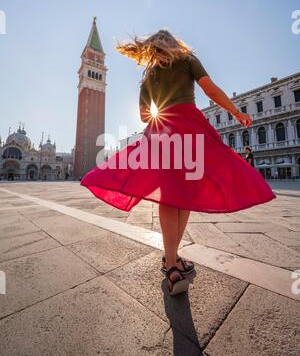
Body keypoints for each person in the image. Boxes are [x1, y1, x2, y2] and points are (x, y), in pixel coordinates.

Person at [81, 29, 276, 296]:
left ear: (152, 48)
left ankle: (171, 260)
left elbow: (142, 115)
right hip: (190, 128)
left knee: (170, 196)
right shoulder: (188, 59)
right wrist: (235, 112)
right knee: (185, 194)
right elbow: (210, 89)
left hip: (162, 132)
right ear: (174, 43)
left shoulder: (150, 74)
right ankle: (172, 260)